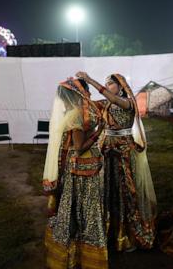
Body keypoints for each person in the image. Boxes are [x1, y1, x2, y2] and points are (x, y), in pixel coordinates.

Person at [76, 72, 157, 252]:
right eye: (106, 84)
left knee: (125, 191)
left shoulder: (127, 103)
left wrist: (90, 80)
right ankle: (109, 232)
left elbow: (109, 97)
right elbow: (88, 104)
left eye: (111, 83)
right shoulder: (106, 104)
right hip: (107, 151)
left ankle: (126, 234)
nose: (108, 86)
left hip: (123, 154)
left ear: (121, 87)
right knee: (107, 190)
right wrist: (78, 89)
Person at [43, 78, 108, 269]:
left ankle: (75, 251)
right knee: (85, 209)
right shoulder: (77, 115)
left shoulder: (77, 113)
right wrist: (99, 132)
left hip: (82, 168)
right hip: (82, 169)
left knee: (78, 208)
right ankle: (84, 251)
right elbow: (79, 147)